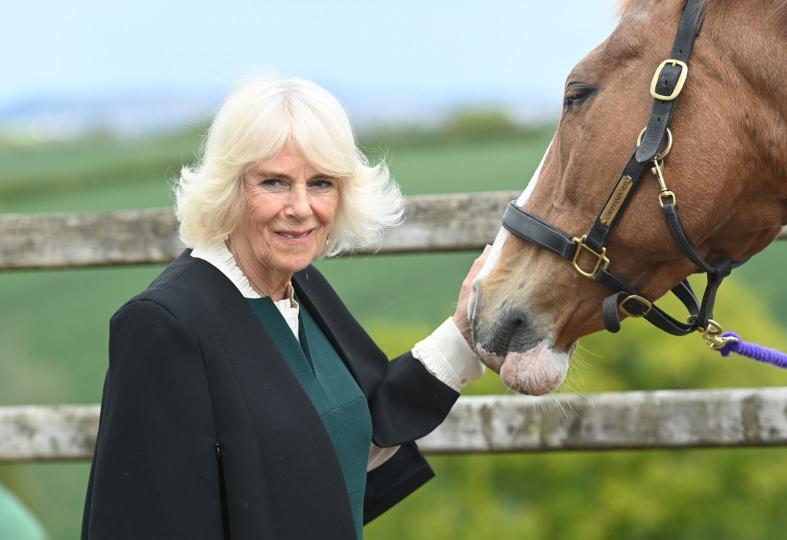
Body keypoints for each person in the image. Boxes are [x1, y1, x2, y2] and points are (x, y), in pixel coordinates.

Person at [81, 77, 487, 540]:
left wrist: (465, 334)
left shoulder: (303, 286)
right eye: (274, 182)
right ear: (230, 188)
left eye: (320, 184)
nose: (300, 208)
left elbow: (362, 427)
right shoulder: (164, 324)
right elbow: (149, 522)